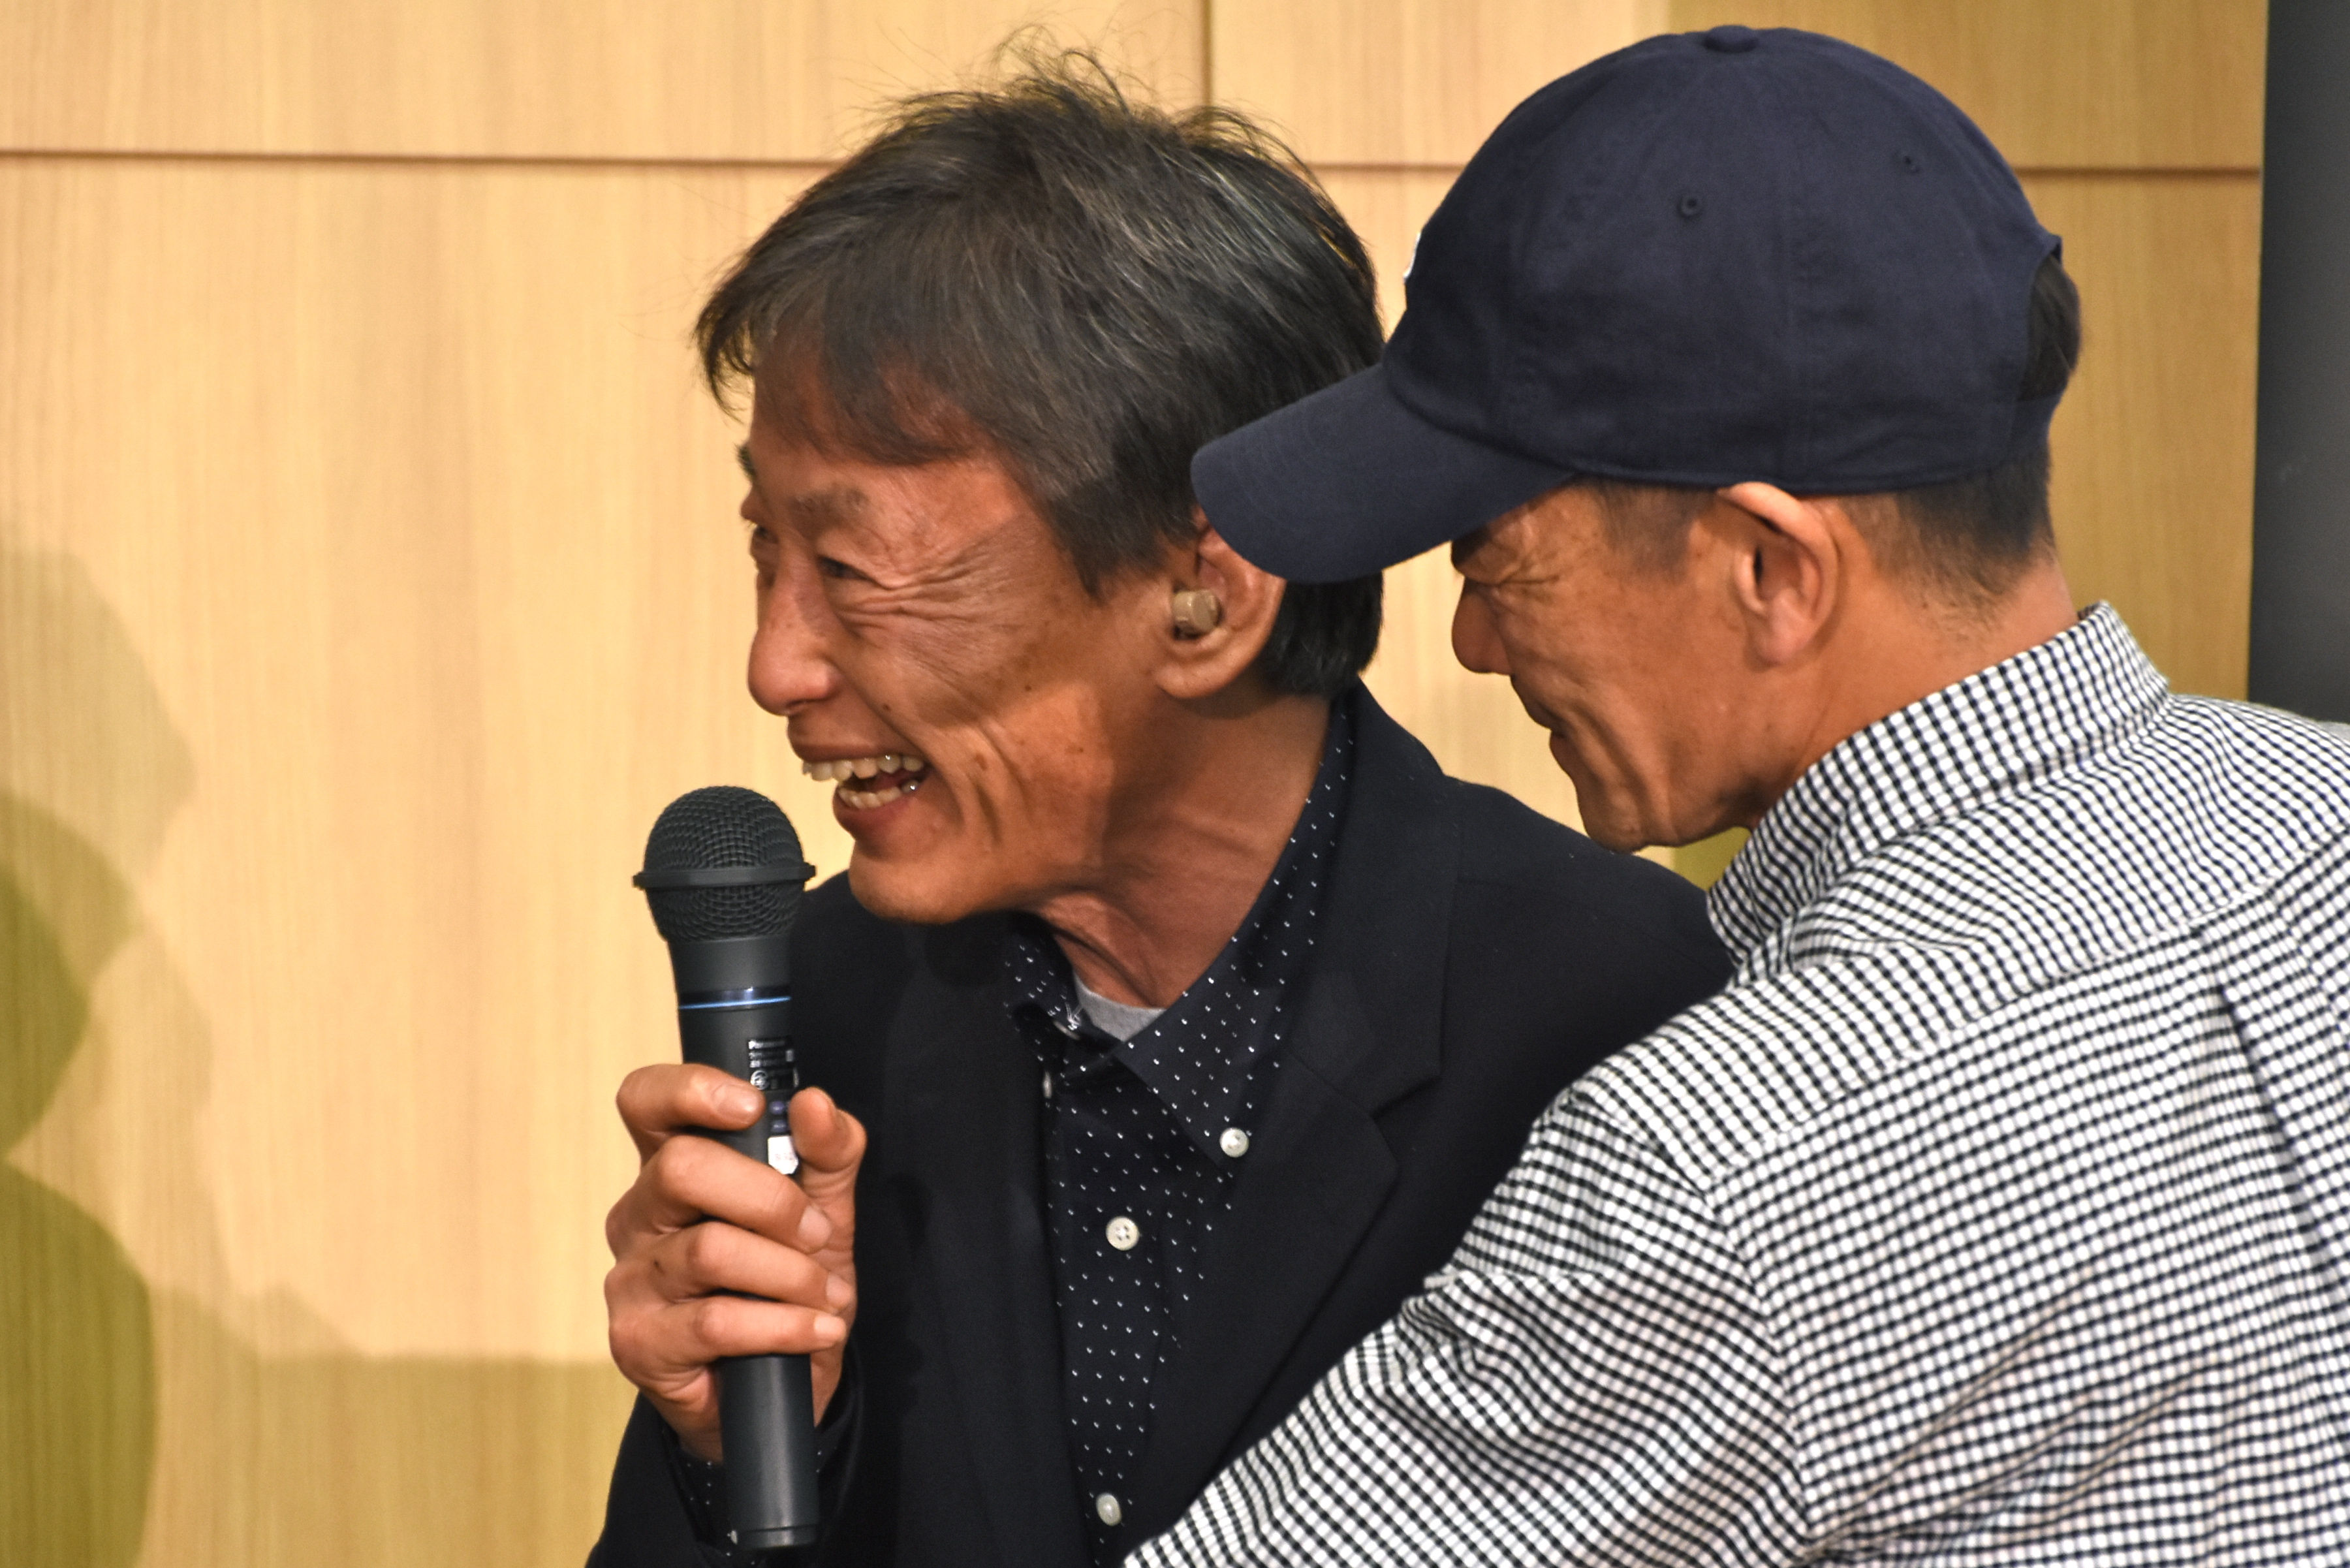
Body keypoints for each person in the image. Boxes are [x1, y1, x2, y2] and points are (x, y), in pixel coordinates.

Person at [1134, 25, 2350, 1566]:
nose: (1473, 639)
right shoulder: (2324, 816)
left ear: (1772, 571)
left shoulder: (1728, 1165)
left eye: (1496, 562)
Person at [586, 59, 1731, 1568]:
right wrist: (726, 1447)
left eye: (851, 568)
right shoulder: (833, 999)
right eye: (765, 552)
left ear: (1204, 595)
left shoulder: (1627, 1016)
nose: (776, 665)